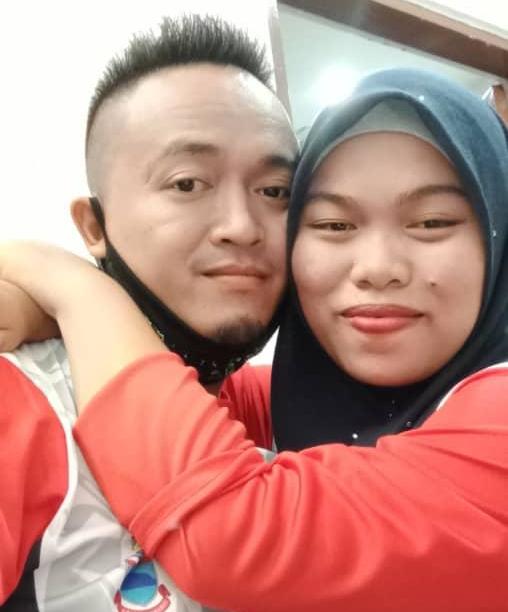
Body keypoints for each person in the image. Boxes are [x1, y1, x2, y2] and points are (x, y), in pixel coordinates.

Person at [3, 68, 508, 611]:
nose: (378, 267)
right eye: (334, 225)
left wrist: (75, 288)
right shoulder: (291, 399)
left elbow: (240, 531)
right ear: (94, 225)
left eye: (432, 223)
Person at [0, 14, 296, 609]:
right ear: (94, 226)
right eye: (187, 184)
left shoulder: (287, 404)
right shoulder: (22, 405)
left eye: (275, 191)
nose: (242, 226)